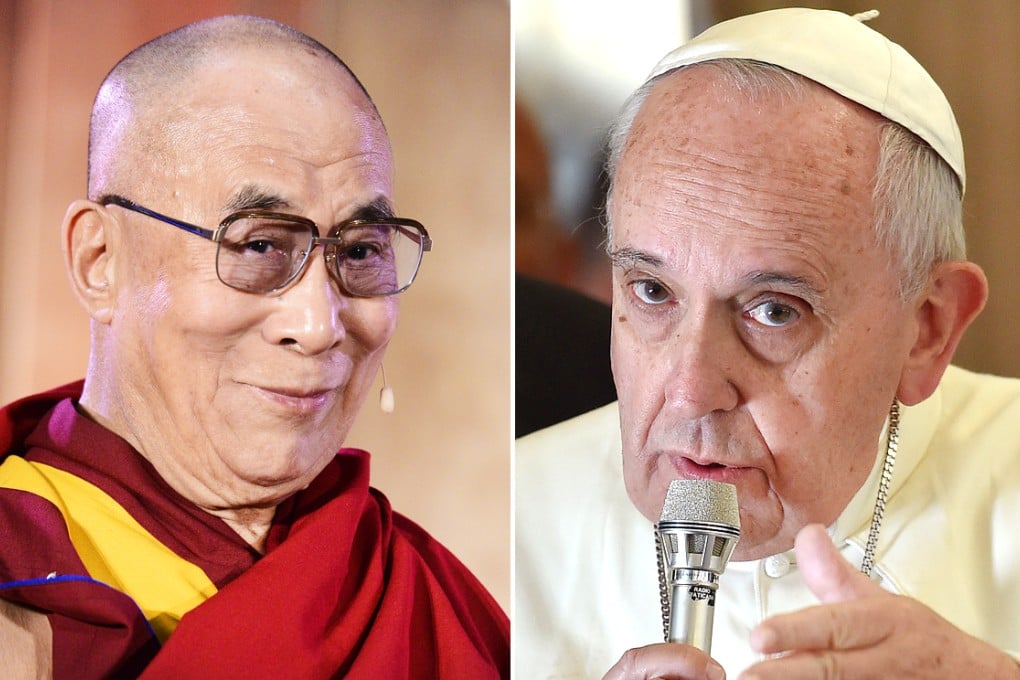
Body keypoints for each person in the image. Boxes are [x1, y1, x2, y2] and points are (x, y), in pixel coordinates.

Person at [515, 8, 1020, 679]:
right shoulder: (507, 521)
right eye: (653, 292)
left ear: (928, 329)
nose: (692, 389)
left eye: (775, 310)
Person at [0, 15, 508, 679]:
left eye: (358, 251)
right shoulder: (20, 575)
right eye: (260, 245)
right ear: (100, 261)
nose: (319, 323)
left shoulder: (430, 604)